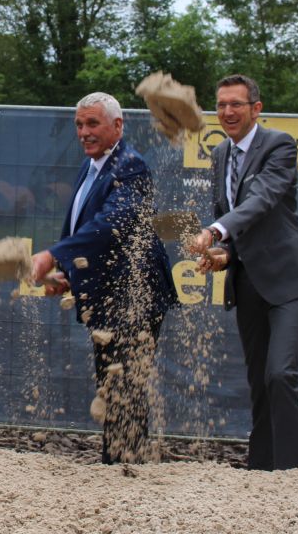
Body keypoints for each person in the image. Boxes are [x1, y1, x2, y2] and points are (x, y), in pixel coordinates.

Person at [187, 74, 298, 471]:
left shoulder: (278, 145)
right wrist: (223, 254)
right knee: (259, 381)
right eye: (222, 104)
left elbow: (262, 200)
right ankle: (261, 469)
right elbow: (235, 226)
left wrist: (214, 231)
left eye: (236, 104)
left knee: (280, 373)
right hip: (247, 283)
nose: (227, 112)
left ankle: (290, 470)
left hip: (288, 283)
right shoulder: (219, 155)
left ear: (256, 109)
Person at [30, 92, 177, 464]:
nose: (83, 132)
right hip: (107, 294)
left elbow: (110, 225)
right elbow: (83, 229)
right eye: (79, 124)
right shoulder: (91, 165)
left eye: (92, 123)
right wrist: (66, 271)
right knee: (113, 383)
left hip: (135, 293)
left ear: (118, 126)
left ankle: (126, 466)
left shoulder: (131, 166)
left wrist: (53, 255)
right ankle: (123, 464)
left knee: (125, 384)